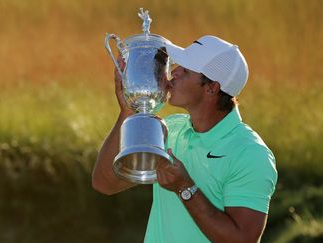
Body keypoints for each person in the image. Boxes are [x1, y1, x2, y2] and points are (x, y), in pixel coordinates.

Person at [92, 35, 278, 243]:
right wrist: (128, 111)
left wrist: (185, 187)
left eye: (186, 71)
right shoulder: (169, 129)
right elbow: (105, 183)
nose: (174, 72)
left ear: (211, 88)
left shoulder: (250, 153)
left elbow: (242, 239)